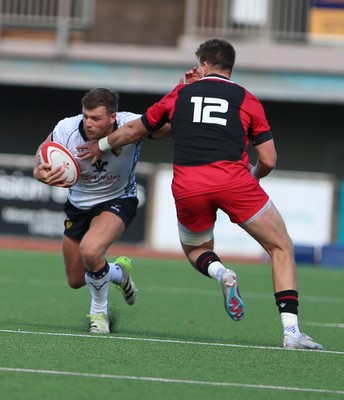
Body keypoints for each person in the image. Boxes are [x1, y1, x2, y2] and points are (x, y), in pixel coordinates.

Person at [79, 40, 324, 350]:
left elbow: (135, 131)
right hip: (235, 182)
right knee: (280, 246)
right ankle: (291, 332)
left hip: (188, 184)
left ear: (204, 65)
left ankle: (221, 272)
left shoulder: (180, 94)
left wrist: (99, 146)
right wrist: (252, 178)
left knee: (196, 250)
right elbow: (269, 159)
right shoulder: (247, 99)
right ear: (230, 68)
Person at [33, 87, 170, 334]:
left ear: (112, 117)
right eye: (86, 116)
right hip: (78, 206)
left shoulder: (130, 124)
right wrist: (39, 172)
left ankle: (99, 315)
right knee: (75, 280)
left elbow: (167, 127)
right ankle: (117, 272)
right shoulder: (67, 127)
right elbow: (42, 153)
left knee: (91, 250)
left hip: (118, 199)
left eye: (96, 118)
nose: (89, 123)